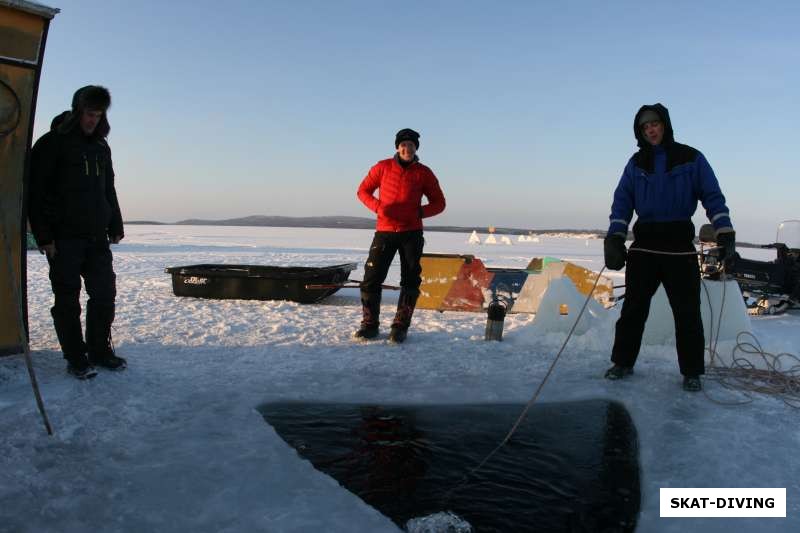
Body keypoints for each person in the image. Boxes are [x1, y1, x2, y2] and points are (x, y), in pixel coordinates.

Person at [603, 103, 735, 392]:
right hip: (645, 247)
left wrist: (725, 232)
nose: (650, 129)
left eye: (654, 123)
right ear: (640, 132)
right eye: (644, 126)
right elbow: (623, 201)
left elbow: (712, 196)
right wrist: (614, 237)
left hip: (679, 247)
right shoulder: (635, 164)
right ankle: (622, 362)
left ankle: (692, 372)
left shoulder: (691, 158)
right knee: (633, 311)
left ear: (665, 124)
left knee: (687, 313)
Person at [29, 85, 127, 379]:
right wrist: (44, 238)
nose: (92, 120)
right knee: (67, 300)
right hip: (64, 239)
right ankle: (76, 357)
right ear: (77, 111)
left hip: (97, 237)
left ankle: (99, 350)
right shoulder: (51, 143)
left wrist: (115, 223)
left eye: (98, 115)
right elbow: (36, 193)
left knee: (104, 294)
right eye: (88, 114)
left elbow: (107, 188)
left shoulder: (101, 147)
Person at [355, 128, 446, 343]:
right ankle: (369, 325)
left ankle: (400, 327)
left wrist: (419, 212)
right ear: (397, 147)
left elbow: (439, 203)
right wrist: (378, 207)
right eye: (404, 145)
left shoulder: (424, 173)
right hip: (385, 232)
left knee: (410, 281)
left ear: (416, 149)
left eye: (412, 145)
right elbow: (362, 191)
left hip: (411, 234)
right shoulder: (382, 167)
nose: (407, 148)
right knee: (371, 280)